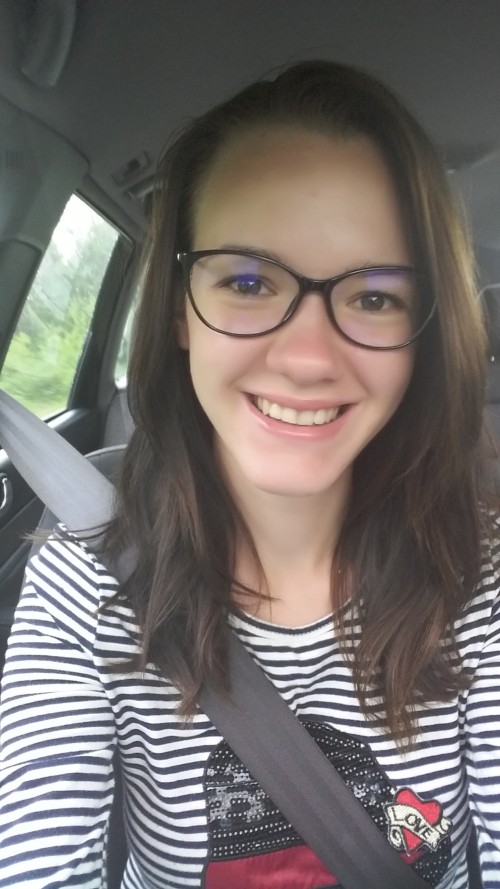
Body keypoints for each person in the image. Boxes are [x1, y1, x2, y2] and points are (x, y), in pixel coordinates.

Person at [1, 59, 499, 889]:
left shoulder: (481, 571)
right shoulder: (85, 583)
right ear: (178, 309)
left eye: (375, 297)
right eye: (246, 280)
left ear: (424, 330)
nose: (307, 358)